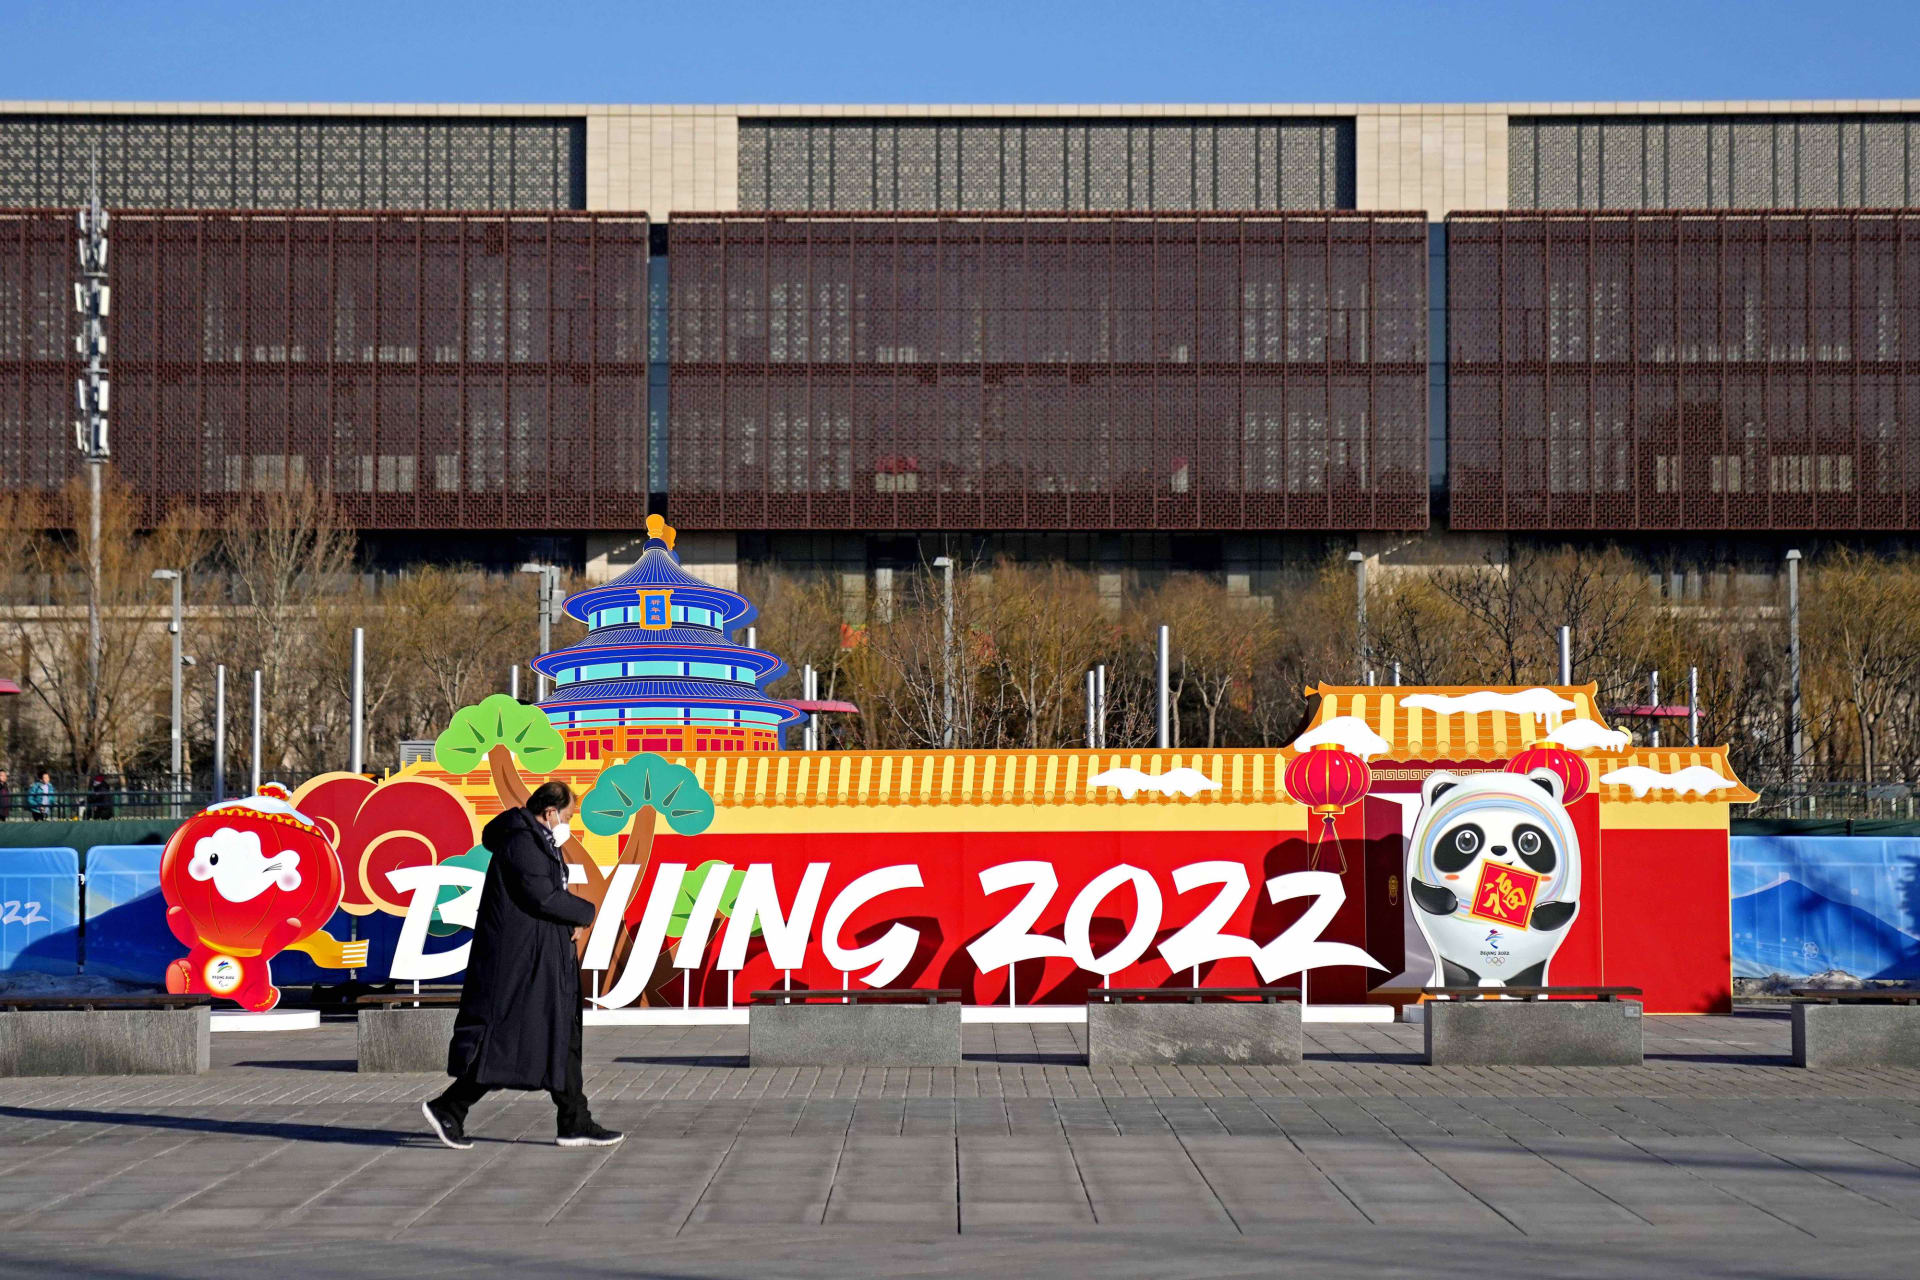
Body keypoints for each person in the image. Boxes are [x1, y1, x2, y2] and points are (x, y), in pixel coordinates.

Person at [422, 779, 622, 1151]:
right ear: (550, 812)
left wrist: (570, 921)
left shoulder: (535, 840)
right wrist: (586, 912)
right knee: (511, 1042)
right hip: (521, 963)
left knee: (562, 1039)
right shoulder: (521, 842)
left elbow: (546, 898)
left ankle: (574, 1121)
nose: (569, 824)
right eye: (568, 816)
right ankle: (449, 1106)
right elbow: (542, 896)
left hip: (543, 957)